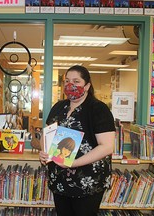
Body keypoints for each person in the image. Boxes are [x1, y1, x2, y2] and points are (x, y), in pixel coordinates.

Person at [39, 65, 116, 216]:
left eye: (76, 81)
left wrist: (73, 163)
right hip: (59, 180)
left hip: (87, 182)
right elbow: (46, 134)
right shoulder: (59, 107)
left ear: (87, 85)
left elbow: (106, 147)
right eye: (67, 81)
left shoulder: (98, 109)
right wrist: (45, 151)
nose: (70, 85)